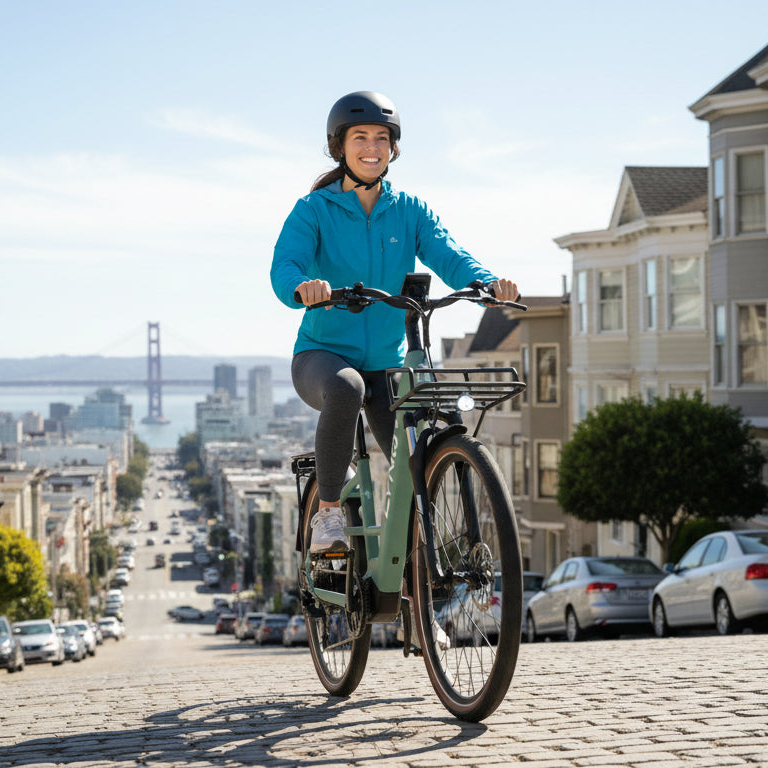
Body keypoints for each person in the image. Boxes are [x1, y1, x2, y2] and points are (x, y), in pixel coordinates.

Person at [270, 91, 519, 554]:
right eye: (360, 137)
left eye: (381, 138)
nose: (372, 147)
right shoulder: (314, 210)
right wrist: (303, 286)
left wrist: (484, 282)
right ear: (340, 147)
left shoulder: (409, 210)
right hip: (322, 358)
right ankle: (328, 514)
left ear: (393, 147)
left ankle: (417, 571)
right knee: (347, 388)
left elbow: (448, 253)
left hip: (387, 365)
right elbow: (286, 264)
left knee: (414, 458)